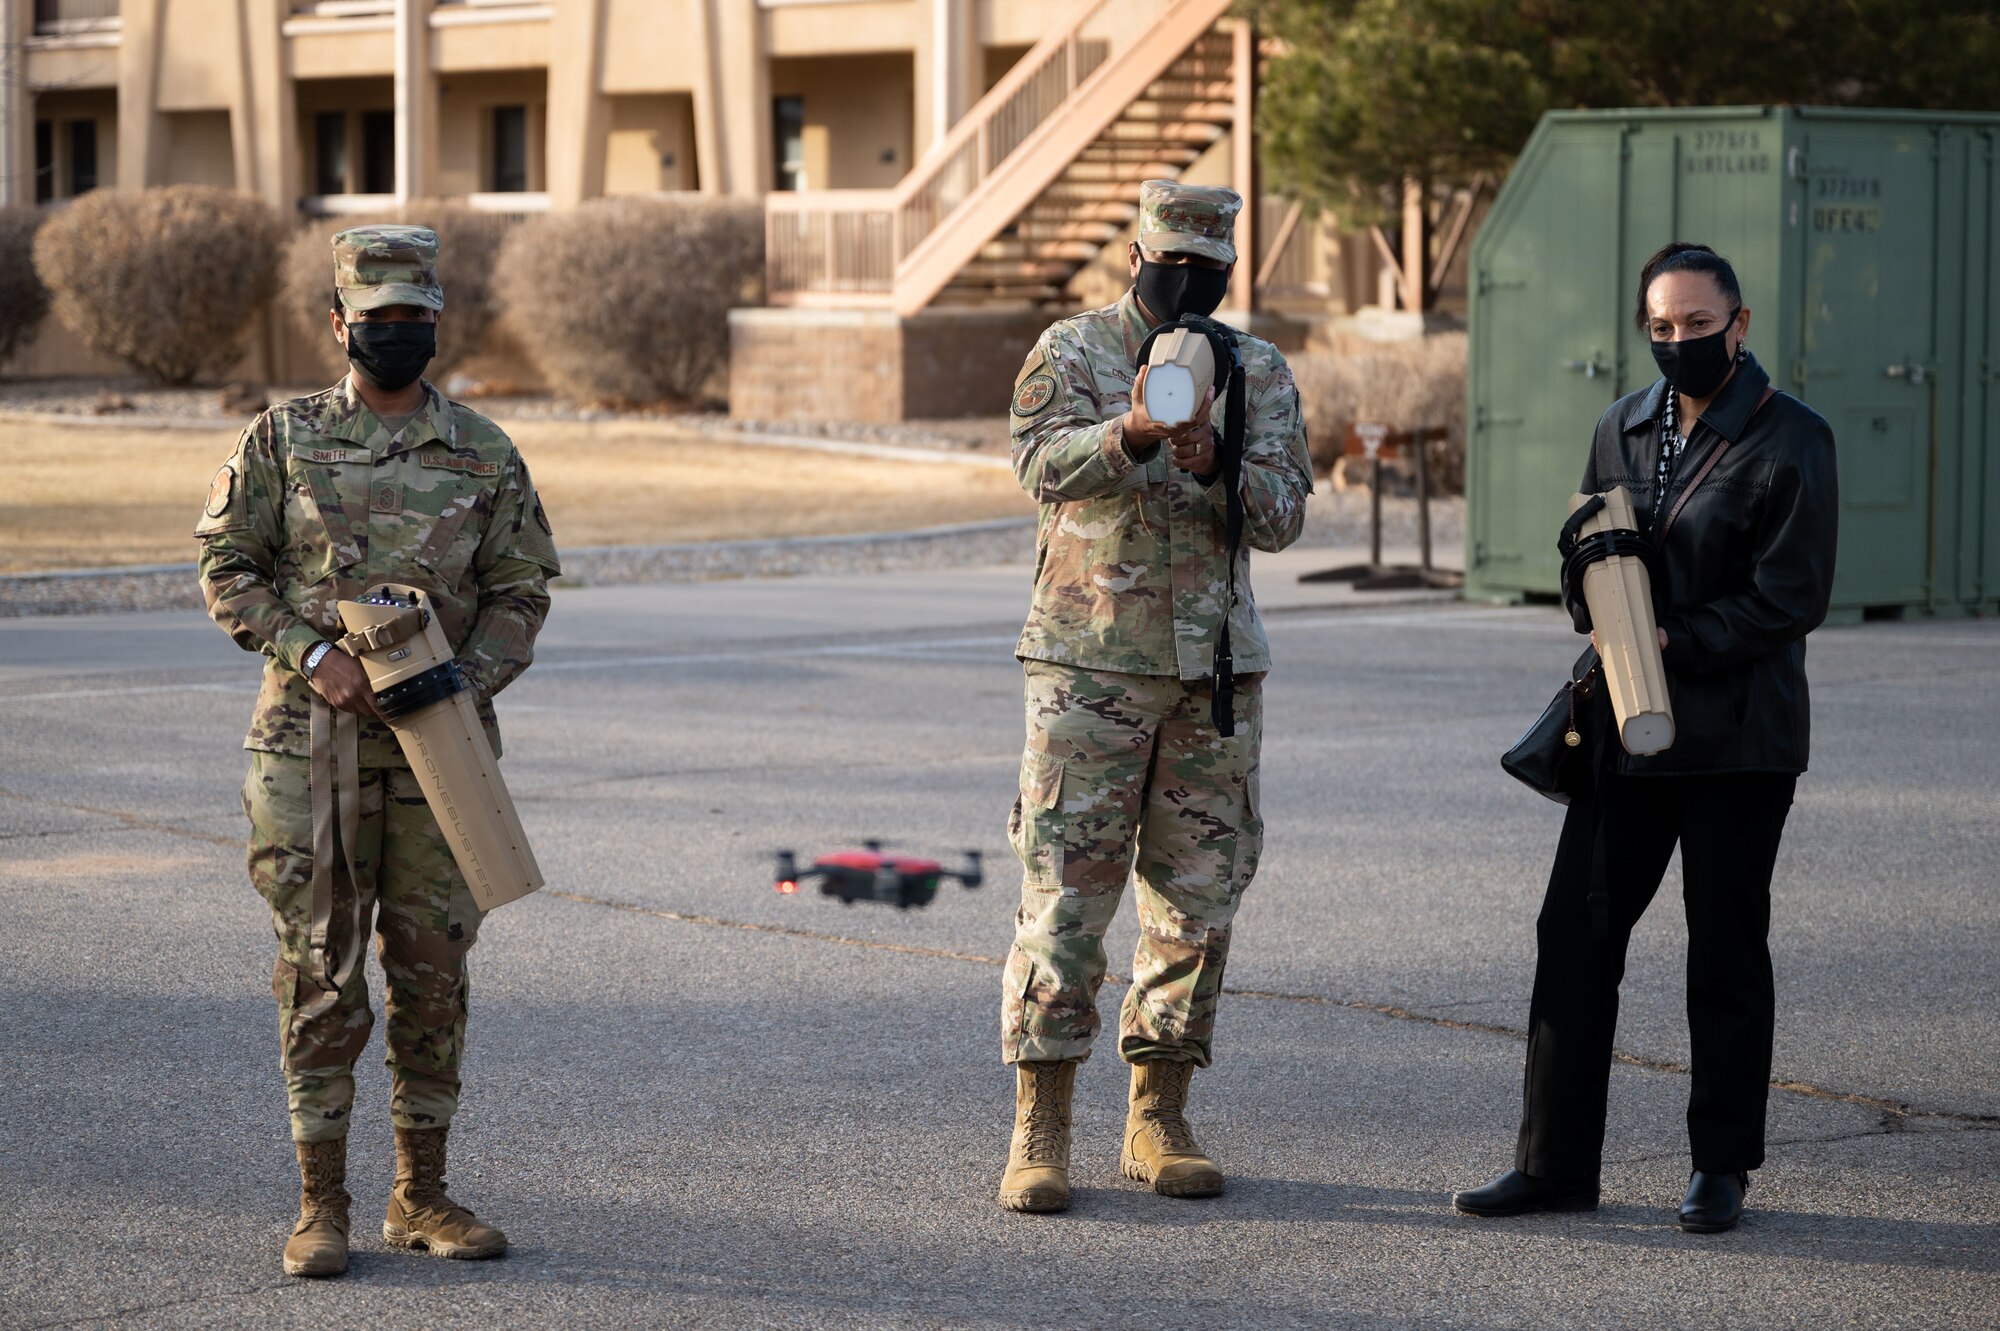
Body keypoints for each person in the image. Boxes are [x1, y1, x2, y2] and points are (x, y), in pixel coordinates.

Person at [195, 225, 560, 1277]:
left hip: (440, 754)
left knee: (434, 972)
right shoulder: (283, 438)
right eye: (379, 316)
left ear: (436, 321)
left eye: (416, 316)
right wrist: (311, 652)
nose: (398, 332)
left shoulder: (483, 450)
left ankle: (424, 1193)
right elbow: (229, 562)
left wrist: (467, 676)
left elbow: (521, 588)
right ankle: (322, 1205)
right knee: (320, 971)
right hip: (308, 744)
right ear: (338, 322)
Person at [1453, 242, 1838, 1233]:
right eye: (1659, 329)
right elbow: (1585, 541)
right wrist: (1589, 587)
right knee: (1571, 937)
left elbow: (1789, 598)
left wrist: (1674, 635)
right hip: (1623, 730)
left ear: (1737, 324)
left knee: (1720, 947)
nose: (1677, 345)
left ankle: (1720, 1165)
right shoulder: (1619, 422)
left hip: (1738, 738)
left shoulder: (1791, 437)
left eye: (1695, 327)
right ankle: (1551, 1164)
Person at [995, 180, 1315, 1213]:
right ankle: (1040, 1125)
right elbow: (1035, 464)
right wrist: (1129, 435)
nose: (1187, 283)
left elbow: (1282, 515)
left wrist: (1218, 460)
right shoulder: (1072, 348)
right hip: (1090, 665)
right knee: (1066, 895)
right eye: (1169, 263)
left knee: (1198, 900)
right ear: (1137, 255)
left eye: (1207, 269)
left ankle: (1157, 1115)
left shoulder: (1255, 368)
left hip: (1212, 673)